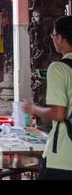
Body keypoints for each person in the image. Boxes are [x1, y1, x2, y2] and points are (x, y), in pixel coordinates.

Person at [23, 16, 72, 180]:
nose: (53, 39)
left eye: (53, 35)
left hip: (64, 157)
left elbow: (59, 113)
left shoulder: (59, 68)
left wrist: (33, 108)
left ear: (61, 38)